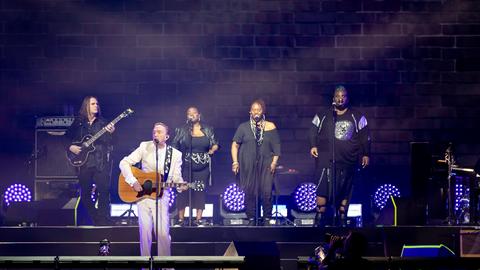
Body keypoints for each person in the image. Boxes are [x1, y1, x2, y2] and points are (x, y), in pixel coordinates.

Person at [119, 122, 185, 257]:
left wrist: (180, 185)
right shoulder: (145, 146)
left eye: (159, 132)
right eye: (154, 131)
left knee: (162, 233)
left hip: (161, 196)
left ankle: (165, 264)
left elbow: (176, 177)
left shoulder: (175, 154)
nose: (156, 134)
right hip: (143, 196)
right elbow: (124, 163)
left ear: (167, 136)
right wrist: (133, 181)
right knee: (145, 232)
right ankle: (145, 264)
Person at [309, 85, 370, 227]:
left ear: (347, 98)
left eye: (343, 96)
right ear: (333, 98)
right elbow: (312, 130)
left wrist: (366, 153)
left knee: (345, 192)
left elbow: (365, 136)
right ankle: (319, 222)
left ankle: (342, 222)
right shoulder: (323, 115)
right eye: (338, 96)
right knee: (322, 190)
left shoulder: (357, 116)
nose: (340, 99)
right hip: (325, 160)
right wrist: (313, 145)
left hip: (348, 161)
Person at [66, 96, 115, 226]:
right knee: (85, 194)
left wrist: (111, 133)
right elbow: (65, 138)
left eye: (97, 104)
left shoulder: (104, 123)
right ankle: (97, 218)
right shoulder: (78, 123)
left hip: (100, 162)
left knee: (104, 191)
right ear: (86, 106)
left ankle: (103, 220)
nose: (96, 106)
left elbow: (111, 143)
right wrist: (70, 147)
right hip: (84, 163)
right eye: (93, 104)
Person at [231, 99, 281, 226]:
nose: (256, 112)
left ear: (262, 111)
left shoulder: (270, 126)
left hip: (266, 164)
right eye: (254, 109)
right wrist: (235, 162)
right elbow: (235, 145)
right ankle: (252, 218)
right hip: (248, 164)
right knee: (249, 191)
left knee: (266, 191)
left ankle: (267, 218)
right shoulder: (243, 127)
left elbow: (277, 147)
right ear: (250, 111)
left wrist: (274, 162)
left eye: (258, 109)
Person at [172, 107, 219, 227]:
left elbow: (215, 144)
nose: (191, 115)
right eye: (189, 113)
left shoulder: (208, 129)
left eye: (194, 113)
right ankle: (181, 220)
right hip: (186, 166)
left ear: (199, 115)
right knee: (183, 190)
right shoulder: (182, 130)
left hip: (202, 167)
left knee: (200, 191)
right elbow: (174, 145)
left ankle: (198, 219)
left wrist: (212, 150)